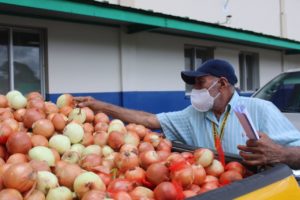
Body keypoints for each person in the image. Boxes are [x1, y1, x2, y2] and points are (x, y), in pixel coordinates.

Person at [75, 59, 300, 169]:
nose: (196, 91)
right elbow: (149, 119)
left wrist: (280, 153)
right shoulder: (193, 114)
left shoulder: (260, 110)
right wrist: (101, 107)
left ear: (222, 83)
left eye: (200, 83)